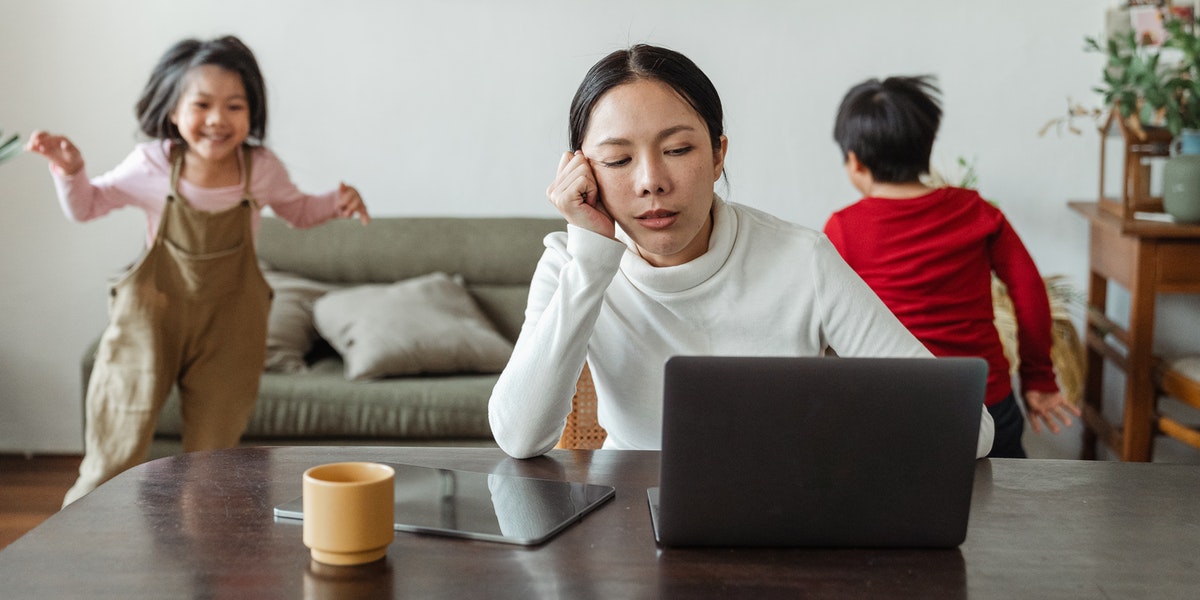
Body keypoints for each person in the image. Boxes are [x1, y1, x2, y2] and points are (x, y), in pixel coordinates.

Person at [488, 45, 994, 460]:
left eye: (679, 150)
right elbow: (518, 437)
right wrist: (591, 259)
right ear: (583, 172)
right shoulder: (570, 264)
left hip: (782, 512)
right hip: (628, 520)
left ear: (717, 156)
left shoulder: (802, 259)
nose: (651, 183)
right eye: (618, 159)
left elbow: (970, 430)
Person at [27, 35, 371, 505]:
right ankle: (79, 549)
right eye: (202, 104)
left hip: (229, 328)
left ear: (252, 113)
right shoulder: (151, 164)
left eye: (234, 105)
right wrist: (70, 172)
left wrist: (337, 202)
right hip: (150, 322)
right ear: (172, 110)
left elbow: (299, 211)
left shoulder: (260, 169)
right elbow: (88, 206)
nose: (217, 119)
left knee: (212, 465)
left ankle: (202, 566)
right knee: (113, 452)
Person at [823, 75, 1080, 459]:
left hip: (895, 408)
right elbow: (1029, 291)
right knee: (1005, 510)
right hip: (985, 403)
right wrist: (1038, 376)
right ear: (926, 148)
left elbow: (827, 319)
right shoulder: (978, 212)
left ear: (855, 162)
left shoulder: (843, 228)